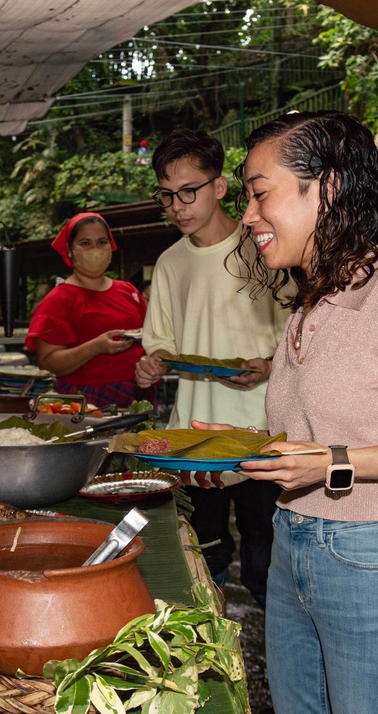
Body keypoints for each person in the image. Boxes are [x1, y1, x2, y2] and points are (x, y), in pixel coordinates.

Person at [202, 110, 378, 714]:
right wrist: (232, 449)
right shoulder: (310, 303)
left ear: (327, 186)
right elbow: (315, 438)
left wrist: (333, 463)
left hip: (374, 560)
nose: (249, 216)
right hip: (292, 546)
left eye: (259, 194)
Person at [134, 129, 288, 607]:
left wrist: (269, 364)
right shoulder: (169, 263)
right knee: (207, 550)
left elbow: (297, 330)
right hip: (196, 435)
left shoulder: (264, 248)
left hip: (264, 429)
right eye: (167, 196)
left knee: (267, 548)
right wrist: (151, 365)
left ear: (219, 187)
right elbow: (159, 340)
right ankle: (214, 640)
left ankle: (278, 635)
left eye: (188, 192)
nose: (178, 206)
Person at [25, 212, 154, 409]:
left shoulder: (129, 291)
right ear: (70, 250)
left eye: (102, 242)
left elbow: (155, 336)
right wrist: (95, 347)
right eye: (85, 243)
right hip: (88, 403)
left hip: (140, 395)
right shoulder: (59, 299)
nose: (95, 249)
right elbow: (47, 362)